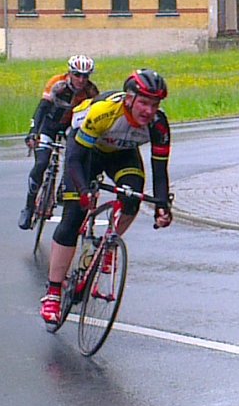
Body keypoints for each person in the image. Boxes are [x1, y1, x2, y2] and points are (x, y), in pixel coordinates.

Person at [39, 68, 173, 325]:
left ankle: (109, 242)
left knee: (132, 198)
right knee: (73, 216)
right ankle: (53, 292)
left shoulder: (158, 124)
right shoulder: (104, 112)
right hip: (87, 153)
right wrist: (83, 191)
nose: (149, 111)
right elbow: (75, 159)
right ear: (129, 99)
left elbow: (160, 171)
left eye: (154, 105)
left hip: (122, 154)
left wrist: (162, 206)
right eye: (144, 103)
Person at [19, 54, 99, 230]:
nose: (81, 79)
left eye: (85, 76)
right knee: (41, 163)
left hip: (70, 127)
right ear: (70, 73)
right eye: (77, 75)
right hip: (49, 126)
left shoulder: (91, 91)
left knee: (75, 156)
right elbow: (42, 108)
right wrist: (33, 133)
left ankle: (64, 187)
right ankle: (29, 206)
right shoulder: (57, 84)